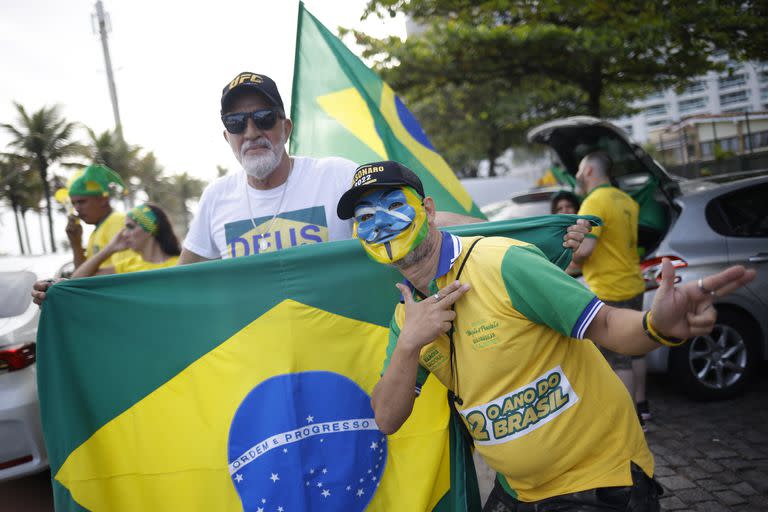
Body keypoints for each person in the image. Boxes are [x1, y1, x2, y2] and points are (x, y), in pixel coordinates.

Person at [336, 160, 755, 511]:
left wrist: (656, 326)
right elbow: (387, 418)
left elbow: (606, 325)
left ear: (427, 209)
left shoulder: (503, 262)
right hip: (517, 492)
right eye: (366, 218)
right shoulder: (404, 317)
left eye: (394, 206)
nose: (382, 224)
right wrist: (410, 343)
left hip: (597, 483)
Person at [568, 151, 649, 426]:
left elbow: (586, 250)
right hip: (633, 283)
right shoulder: (626, 200)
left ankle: (629, 422)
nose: (577, 175)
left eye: (579, 169)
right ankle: (642, 406)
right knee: (636, 349)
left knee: (618, 360)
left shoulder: (593, 203)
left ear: (589, 171)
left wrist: (570, 250)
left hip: (609, 288)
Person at [70, 203, 181, 277]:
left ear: (150, 229)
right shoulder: (128, 266)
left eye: (130, 227)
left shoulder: (180, 264)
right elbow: (77, 279)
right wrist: (109, 249)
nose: (124, 234)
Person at [65, 164, 133, 271]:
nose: (77, 208)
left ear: (103, 200)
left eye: (81, 202)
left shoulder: (117, 221)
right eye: (74, 203)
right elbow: (82, 275)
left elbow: (125, 273)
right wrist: (76, 244)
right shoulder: (97, 231)